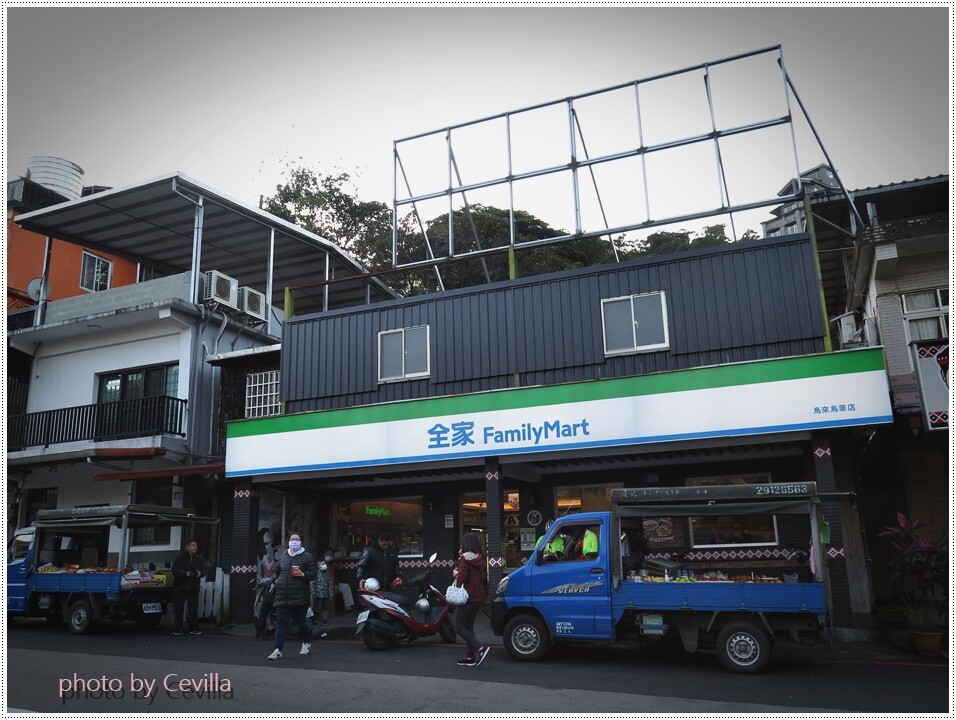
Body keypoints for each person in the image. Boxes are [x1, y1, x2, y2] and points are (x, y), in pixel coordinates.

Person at [267, 533, 317, 660]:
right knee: (281, 623)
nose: (294, 542)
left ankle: (306, 642)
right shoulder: (283, 557)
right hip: (282, 596)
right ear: (289, 541)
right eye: (292, 539)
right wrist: (275, 580)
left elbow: (313, 574)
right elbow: (275, 572)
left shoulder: (307, 557)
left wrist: (303, 574)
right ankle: (278, 649)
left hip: (299, 597)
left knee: (301, 623)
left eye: (297, 540)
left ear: (301, 542)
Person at [451, 532, 489, 668]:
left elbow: (462, 578)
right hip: (478, 597)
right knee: (468, 626)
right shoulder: (480, 558)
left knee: (458, 626)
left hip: (466, 597)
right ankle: (470, 657)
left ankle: (480, 648)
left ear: (466, 544)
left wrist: (457, 573)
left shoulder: (464, 559)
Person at [311, 548, 355, 638]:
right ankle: (314, 620)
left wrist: (334, 588)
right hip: (318, 593)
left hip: (330, 589)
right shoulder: (317, 572)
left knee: (345, 587)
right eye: (327, 554)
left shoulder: (333, 566)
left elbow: (333, 580)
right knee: (316, 608)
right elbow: (313, 583)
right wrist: (313, 593)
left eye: (331, 554)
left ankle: (347, 607)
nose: (329, 556)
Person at [171, 539, 206, 636]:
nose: (195, 547)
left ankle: (194, 629)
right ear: (187, 547)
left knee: (193, 609)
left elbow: (204, 570)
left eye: (196, 546)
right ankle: (178, 629)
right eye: (193, 545)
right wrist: (184, 573)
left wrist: (200, 573)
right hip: (179, 587)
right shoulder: (179, 558)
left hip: (193, 588)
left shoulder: (199, 558)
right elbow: (174, 570)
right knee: (178, 609)